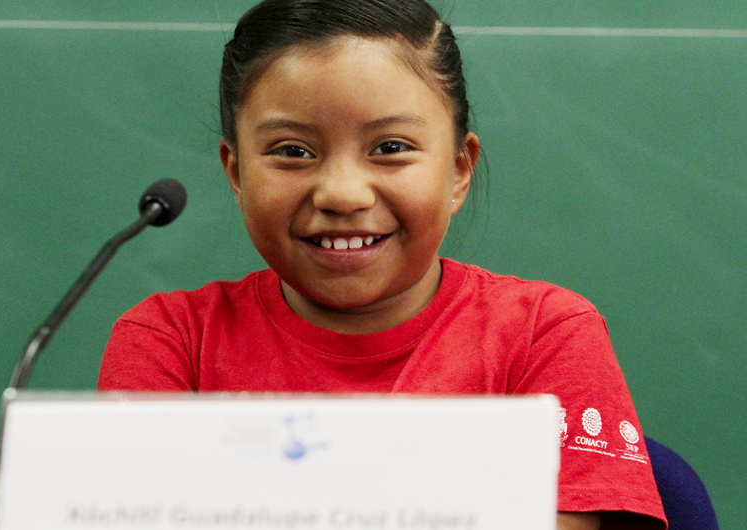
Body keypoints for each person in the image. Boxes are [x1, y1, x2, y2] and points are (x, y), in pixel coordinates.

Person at [99, 1, 667, 528]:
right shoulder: (171, 343)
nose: (342, 194)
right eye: (293, 151)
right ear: (236, 174)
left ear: (459, 170)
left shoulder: (544, 334)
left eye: (390, 147)